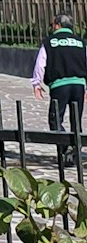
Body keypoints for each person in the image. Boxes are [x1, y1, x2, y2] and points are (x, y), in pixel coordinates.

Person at [33, 13, 87, 163]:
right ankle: (75, 148)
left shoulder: (50, 42)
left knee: (55, 118)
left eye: (52, 25)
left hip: (59, 85)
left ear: (57, 25)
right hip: (79, 84)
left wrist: (37, 83)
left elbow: (40, 63)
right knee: (76, 119)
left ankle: (65, 147)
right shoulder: (80, 42)